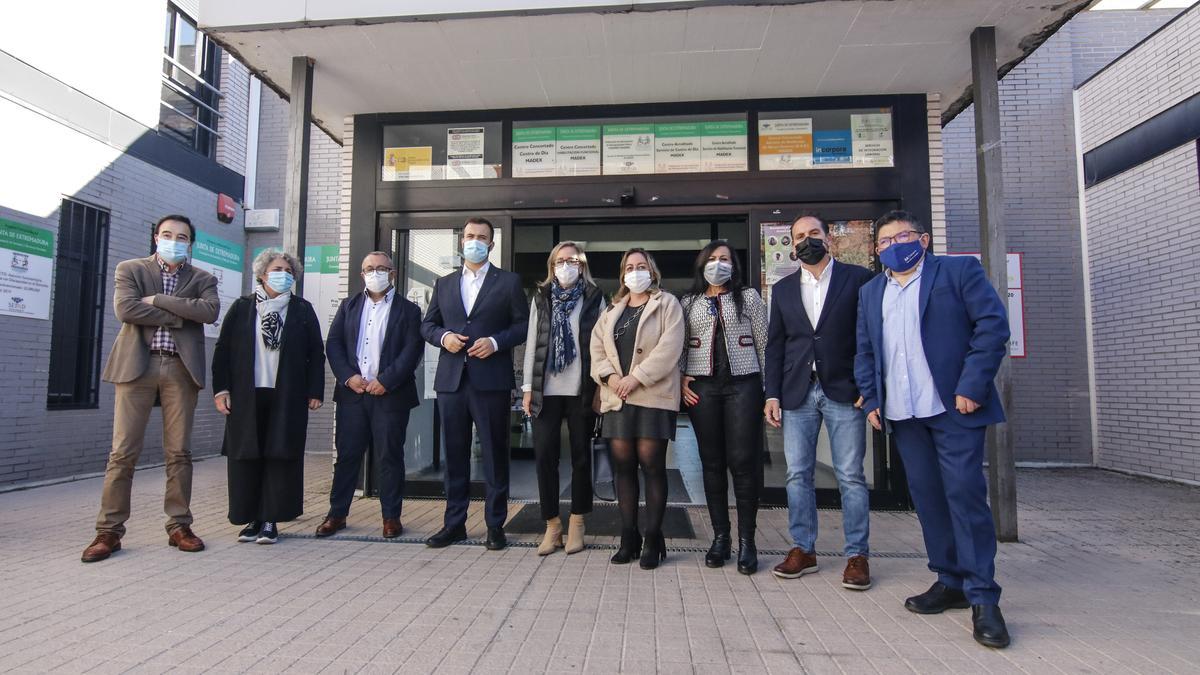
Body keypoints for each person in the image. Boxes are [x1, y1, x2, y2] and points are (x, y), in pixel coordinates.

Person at [854, 210, 1011, 649]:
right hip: (903, 414)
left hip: (953, 407)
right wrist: (872, 399)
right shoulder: (872, 292)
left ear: (922, 239)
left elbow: (992, 327)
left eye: (900, 237)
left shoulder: (958, 271)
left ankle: (984, 598)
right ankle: (949, 580)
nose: (892, 246)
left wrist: (972, 385)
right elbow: (866, 350)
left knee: (964, 496)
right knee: (928, 499)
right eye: (883, 242)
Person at [82, 215, 219, 563]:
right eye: (168, 234)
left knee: (179, 452)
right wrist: (177, 315)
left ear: (191, 243)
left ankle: (179, 525)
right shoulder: (130, 268)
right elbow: (125, 309)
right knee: (123, 451)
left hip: (180, 367)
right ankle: (109, 531)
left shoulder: (203, 278)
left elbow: (208, 311)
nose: (175, 240)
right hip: (136, 365)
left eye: (182, 236)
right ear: (156, 237)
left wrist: (156, 300)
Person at [763, 214, 876, 589]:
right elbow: (776, 345)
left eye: (814, 233)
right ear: (792, 245)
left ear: (827, 238)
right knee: (797, 474)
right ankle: (803, 549)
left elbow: (871, 337)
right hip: (798, 391)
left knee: (850, 475)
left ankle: (857, 555)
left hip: (844, 390)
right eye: (799, 236)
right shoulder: (782, 289)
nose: (806, 240)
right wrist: (772, 393)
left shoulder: (858, 280)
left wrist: (869, 384)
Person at [420, 217, 529, 551]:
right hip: (452, 381)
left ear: (492, 244)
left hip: (491, 380)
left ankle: (495, 526)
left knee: (495, 454)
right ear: (460, 241)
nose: (475, 241)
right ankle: (454, 525)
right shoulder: (444, 283)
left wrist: (495, 342)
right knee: (455, 457)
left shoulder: (508, 282)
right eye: (469, 236)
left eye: (482, 237)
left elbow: (523, 325)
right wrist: (444, 337)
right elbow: (427, 325)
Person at [211, 249, 325, 544]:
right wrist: (221, 389)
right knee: (247, 455)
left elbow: (316, 352)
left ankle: (271, 519)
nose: (284, 274)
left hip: (287, 393)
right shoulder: (241, 308)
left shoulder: (302, 309)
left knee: (280, 454)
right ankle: (251, 518)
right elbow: (223, 350)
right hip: (246, 395)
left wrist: (315, 391)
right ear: (262, 274)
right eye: (277, 268)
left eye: (289, 271)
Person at [590, 248, 684, 570]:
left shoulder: (667, 304)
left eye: (641, 266)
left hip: (652, 396)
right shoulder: (612, 309)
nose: (635, 271)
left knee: (652, 465)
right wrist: (612, 377)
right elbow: (597, 349)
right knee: (623, 468)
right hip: (617, 397)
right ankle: (627, 537)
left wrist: (636, 378)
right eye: (629, 267)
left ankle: (653, 537)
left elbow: (670, 348)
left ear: (652, 271)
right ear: (622, 275)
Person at [317, 252, 423, 539]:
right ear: (361, 274)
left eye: (381, 268)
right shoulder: (349, 306)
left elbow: (412, 351)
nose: (375, 273)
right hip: (353, 394)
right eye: (369, 269)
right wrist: (348, 377)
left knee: (390, 457)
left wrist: (386, 381)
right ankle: (336, 514)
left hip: (390, 395)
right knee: (348, 456)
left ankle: (391, 517)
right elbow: (334, 344)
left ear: (393, 274)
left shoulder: (409, 311)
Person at [679, 240, 768, 575]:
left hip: (743, 384)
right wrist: (681, 378)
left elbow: (766, 345)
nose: (718, 264)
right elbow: (680, 344)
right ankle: (720, 538)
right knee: (712, 463)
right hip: (703, 386)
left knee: (743, 464)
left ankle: (748, 542)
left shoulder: (750, 298)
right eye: (712, 259)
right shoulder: (689, 302)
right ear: (702, 265)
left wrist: (769, 391)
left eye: (725, 259)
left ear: (735, 265)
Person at [521, 242, 606, 556]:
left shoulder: (595, 297)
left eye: (572, 260)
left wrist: (600, 388)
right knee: (545, 457)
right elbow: (533, 343)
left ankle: (578, 523)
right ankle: (552, 524)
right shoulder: (541, 297)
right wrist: (528, 388)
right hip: (547, 390)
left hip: (581, 389)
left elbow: (601, 347)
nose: (566, 265)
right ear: (551, 264)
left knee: (582, 458)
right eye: (560, 261)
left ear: (581, 265)